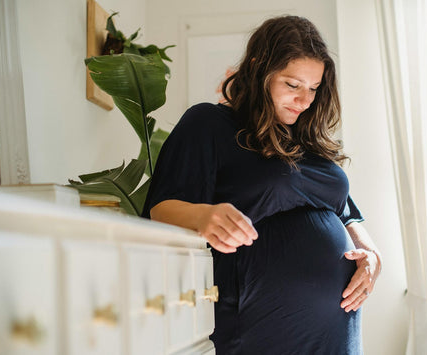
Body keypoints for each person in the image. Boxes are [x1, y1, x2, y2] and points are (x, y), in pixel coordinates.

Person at [142, 15, 382, 354]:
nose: (304, 100)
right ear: (259, 70)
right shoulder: (210, 125)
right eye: (293, 85)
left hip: (337, 331)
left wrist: (373, 256)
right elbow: (160, 208)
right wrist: (203, 216)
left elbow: (346, 211)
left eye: (314, 88)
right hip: (260, 329)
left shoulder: (307, 140)